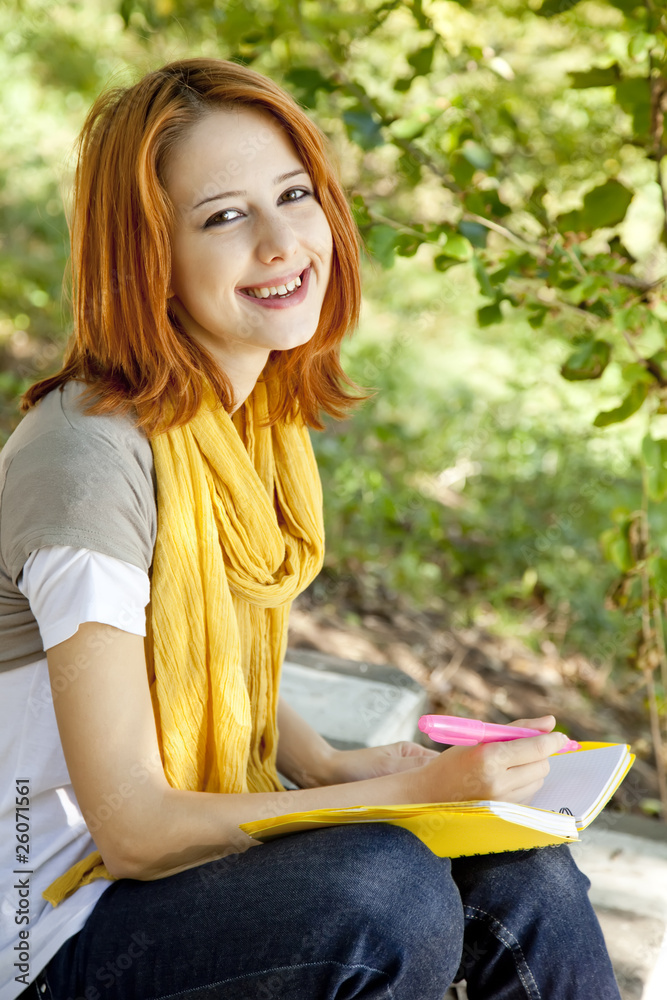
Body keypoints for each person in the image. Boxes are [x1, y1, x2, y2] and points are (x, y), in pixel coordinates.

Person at [0, 58, 621, 1000]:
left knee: (521, 866)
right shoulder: (90, 458)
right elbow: (129, 824)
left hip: (153, 883)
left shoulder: (243, 421)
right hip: (48, 930)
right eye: (223, 216)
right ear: (146, 256)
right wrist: (410, 797)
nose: (284, 241)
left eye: (294, 194)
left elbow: (191, 656)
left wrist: (326, 763)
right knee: (383, 890)